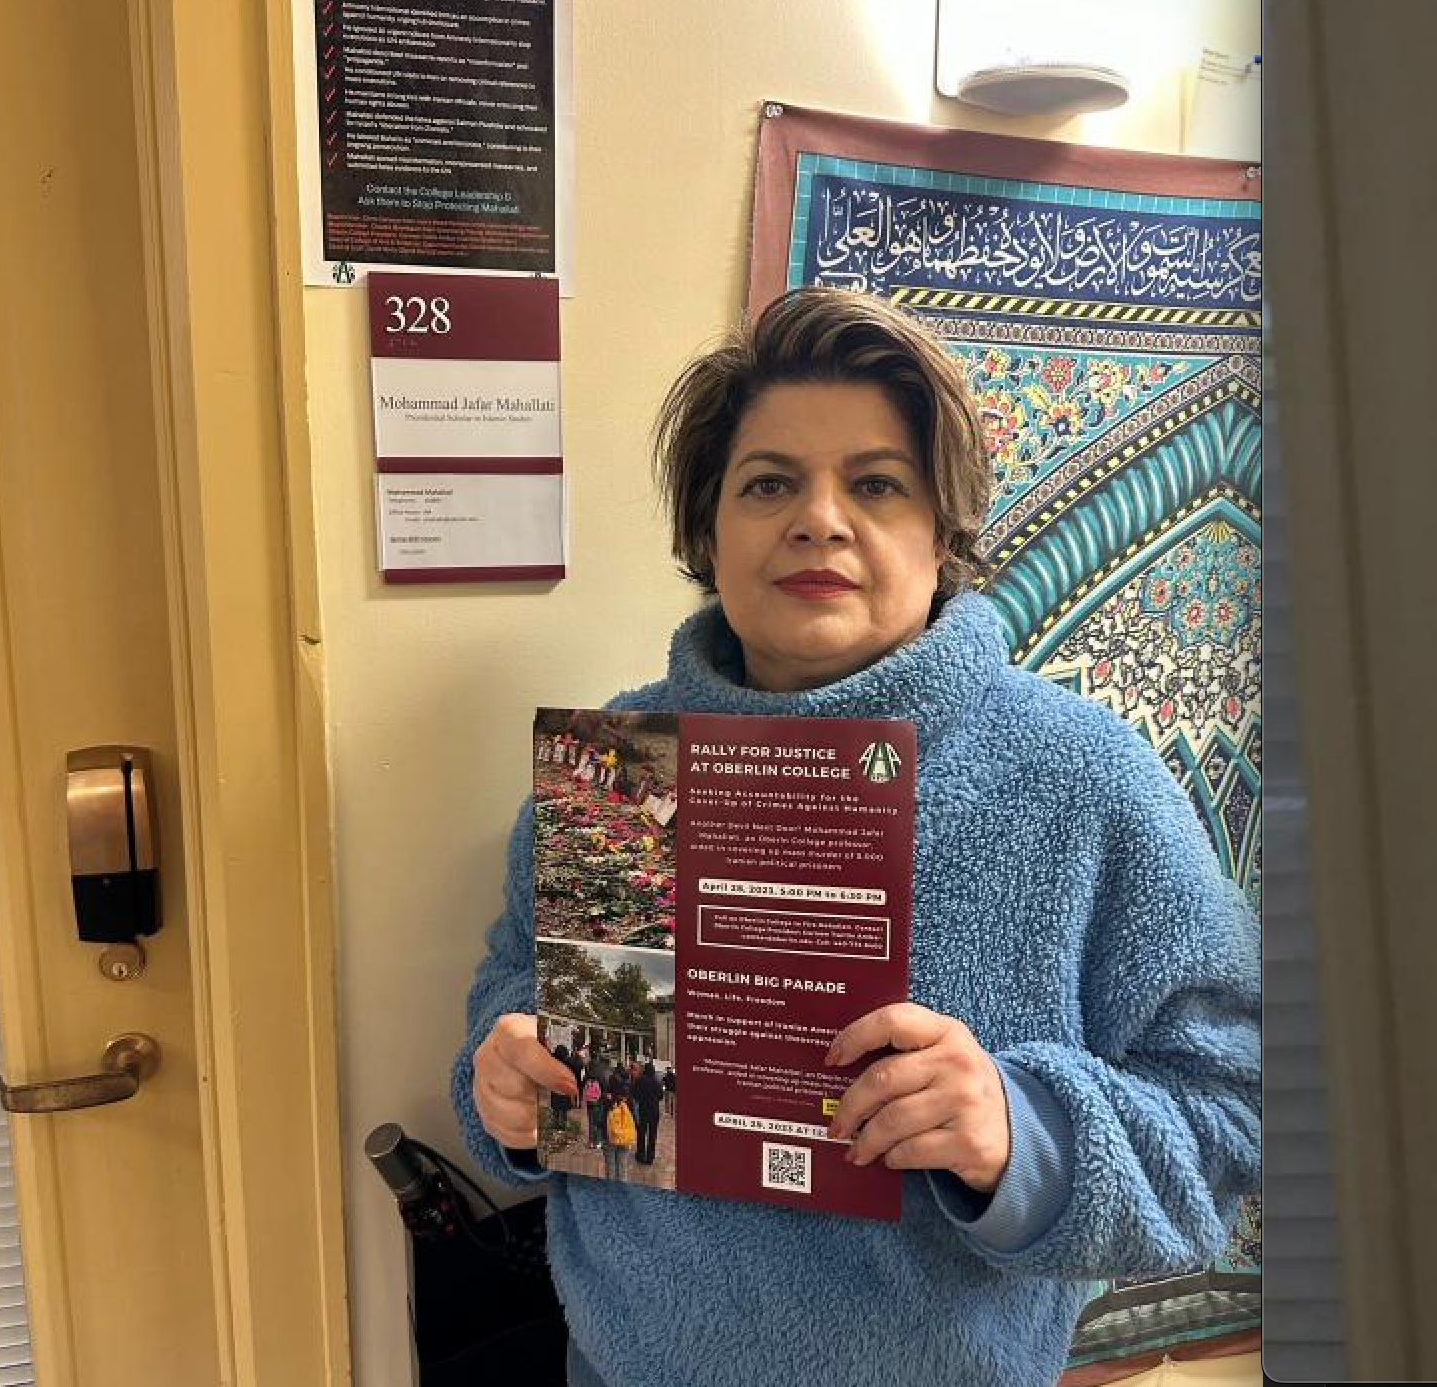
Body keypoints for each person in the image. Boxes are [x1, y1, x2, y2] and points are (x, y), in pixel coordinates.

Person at [453, 287, 1258, 1387]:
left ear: (943, 535)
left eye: (876, 484)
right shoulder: (614, 773)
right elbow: (510, 1012)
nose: (819, 519)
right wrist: (499, 1089)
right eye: (769, 482)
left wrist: (1020, 1130)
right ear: (707, 533)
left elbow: (1229, 1117)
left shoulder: (1082, 780)